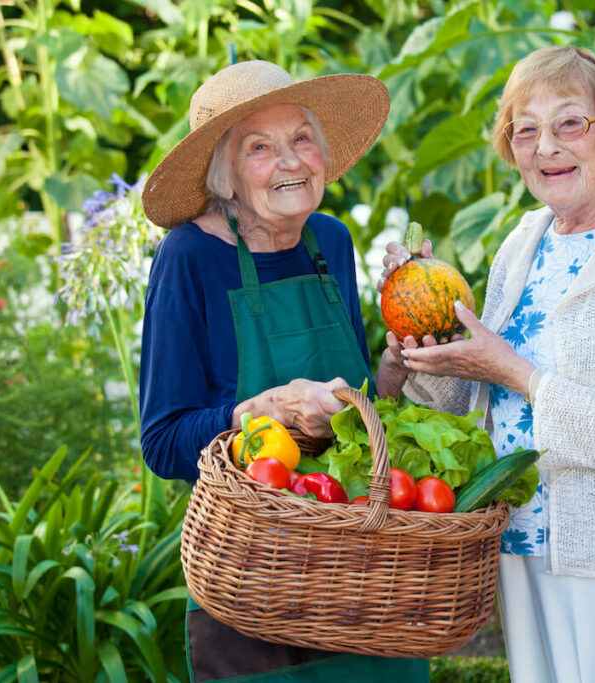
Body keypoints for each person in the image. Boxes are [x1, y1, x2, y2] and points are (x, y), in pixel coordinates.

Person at [379, 46, 595, 682]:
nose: (546, 146)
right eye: (525, 130)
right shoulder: (523, 242)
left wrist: (515, 371)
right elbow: (476, 402)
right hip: (521, 543)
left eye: (569, 123)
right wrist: (419, 343)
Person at [139, 59, 426, 683]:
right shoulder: (190, 258)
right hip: (254, 579)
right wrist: (261, 412)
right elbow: (162, 443)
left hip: (368, 573)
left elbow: (352, 420)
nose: (291, 162)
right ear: (227, 175)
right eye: (260, 148)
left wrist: (393, 375)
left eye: (302, 138)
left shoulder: (330, 240)